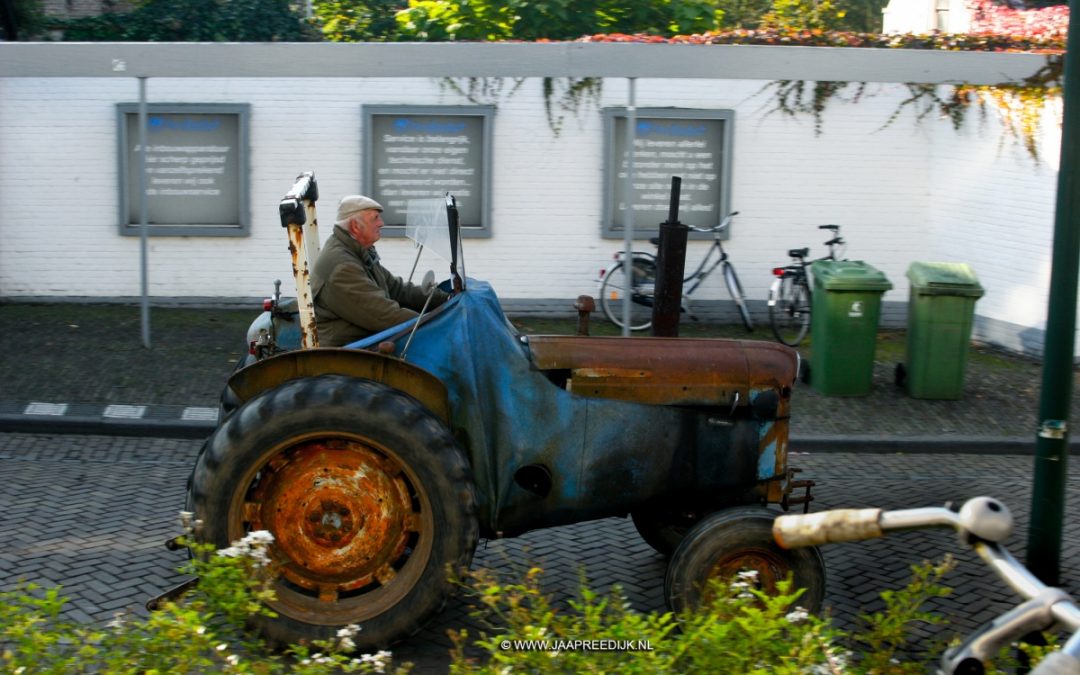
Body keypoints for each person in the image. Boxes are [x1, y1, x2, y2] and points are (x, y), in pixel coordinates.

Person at [311, 195, 449, 347]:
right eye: (375, 218)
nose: (381, 223)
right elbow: (385, 316)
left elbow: (397, 289)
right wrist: (439, 325)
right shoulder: (342, 266)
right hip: (346, 352)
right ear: (355, 226)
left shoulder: (359, 251)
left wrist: (445, 299)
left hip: (365, 340)